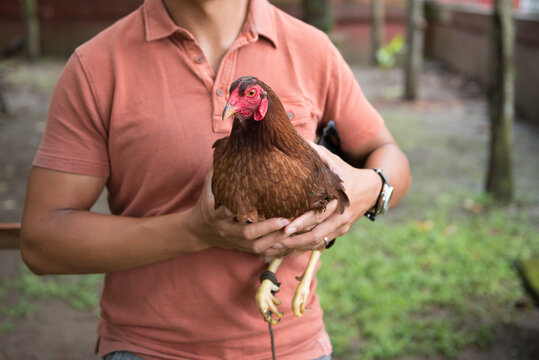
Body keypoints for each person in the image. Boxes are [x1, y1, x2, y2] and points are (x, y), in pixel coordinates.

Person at [20, 0, 411, 359]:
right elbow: (42, 243)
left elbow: (391, 158)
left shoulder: (311, 47)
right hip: (148, 348)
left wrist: (367, 189)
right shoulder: (96, 65)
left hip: (294, 348)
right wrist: (194, 231)